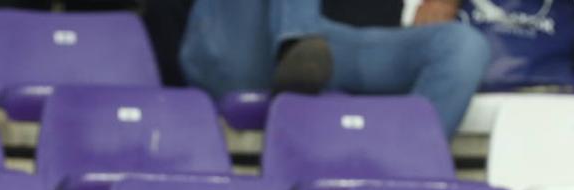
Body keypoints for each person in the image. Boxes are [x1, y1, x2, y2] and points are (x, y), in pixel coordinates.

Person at [161, 0, 491, 136]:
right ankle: (296, 41)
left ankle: (403, 174)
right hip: (246, 38)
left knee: (463, 46)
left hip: (338, 45)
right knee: (303, 50)